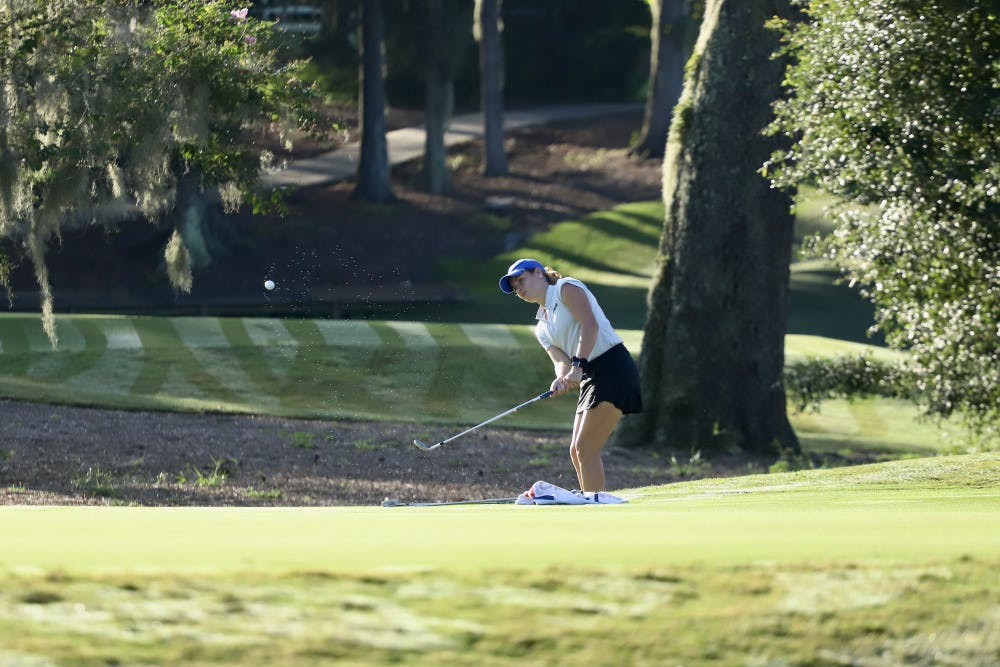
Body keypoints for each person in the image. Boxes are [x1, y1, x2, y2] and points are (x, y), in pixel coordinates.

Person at [499, 258, 642, 492]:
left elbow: (590, 326)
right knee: (576, 451)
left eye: (521, 280)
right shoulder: (541, 327)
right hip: (589, 376)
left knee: (586, 448)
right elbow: (560, 362)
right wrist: (562, 377)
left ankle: (596, 510)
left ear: (538, 273)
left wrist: (577, 367)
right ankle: (592, 503)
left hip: (613, 367)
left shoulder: (566, 288)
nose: (519, 289)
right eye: (515, 287)